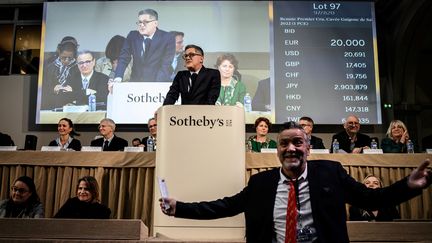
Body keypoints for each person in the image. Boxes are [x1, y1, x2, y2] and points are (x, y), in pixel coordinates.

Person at [159, 121, 431, 243]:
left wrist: (408, 184)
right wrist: (178, 207)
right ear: (277, 150)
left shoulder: (330, 173)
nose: (291, 148)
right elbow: (224, 206)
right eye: (285, 143)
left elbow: (373, 199)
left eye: (298, 142)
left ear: (308, 148)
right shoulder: (261, 183)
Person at [114, 9, 175, 82]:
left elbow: (165, 65)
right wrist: (117, 78)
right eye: (139, 22)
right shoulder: (132, 36)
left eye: (145, 22)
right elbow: (124, 58)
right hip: (136, 82)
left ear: (155, 23)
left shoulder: (167, 38)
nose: (141, 25)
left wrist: (154, 86)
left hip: (158, 83)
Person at [41, 36, 80, 110]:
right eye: (63, 57)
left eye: (70, 58)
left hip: (72, 105)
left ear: (74, 55)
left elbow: (82, 88)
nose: (66, 60)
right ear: (59, 53)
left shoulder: (78, 68)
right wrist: (53, 89)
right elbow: (43, 87)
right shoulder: (50, 68)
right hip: (52, 104)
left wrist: (73, 91)